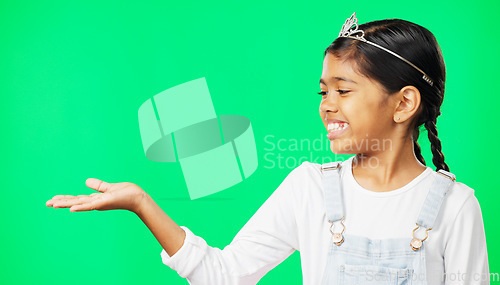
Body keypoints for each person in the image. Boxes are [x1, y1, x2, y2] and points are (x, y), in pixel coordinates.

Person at [46, 13, 489, 285]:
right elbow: (224, 277)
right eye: (322, 92)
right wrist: (142, 204)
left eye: (344, 90)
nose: (327, 106)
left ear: (404, 102)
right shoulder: (310, 189)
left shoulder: (455, 208)